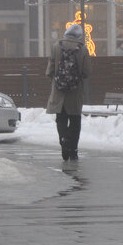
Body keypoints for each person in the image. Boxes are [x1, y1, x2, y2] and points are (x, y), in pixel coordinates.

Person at [45, 23, 91, 166]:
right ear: (79, 36)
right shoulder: (83, 49)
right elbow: (87, 72)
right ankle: (73, 151)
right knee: (75, 122)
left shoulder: (56, 47)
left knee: (61, 118)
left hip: (59, 91)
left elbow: (49, 70)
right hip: (75, 92)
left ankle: (64, 140)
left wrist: (56, 79)